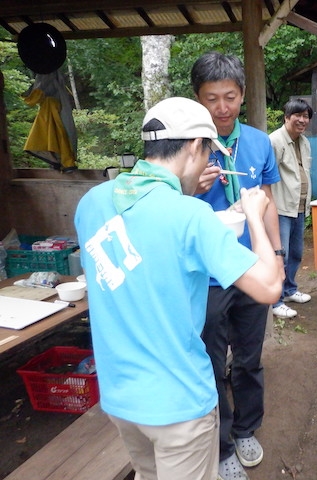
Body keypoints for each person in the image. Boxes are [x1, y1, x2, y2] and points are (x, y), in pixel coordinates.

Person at [74, 97, 282, 480]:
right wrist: (254, 216)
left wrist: (186, 198)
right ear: (193, 147)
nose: (206, 164)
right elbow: (269, 286)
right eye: (206, 154)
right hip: (178, 402)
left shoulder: (91, 203)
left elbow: (149, 244)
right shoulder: (191, 216)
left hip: (120, 398)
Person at [190, 52, 284, 480]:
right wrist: (190, 188)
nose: (222, 107)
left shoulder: (259, 142)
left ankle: (247, 427)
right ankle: (223, 444)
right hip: (205, 274)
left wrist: (277, 256)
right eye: (212, 98)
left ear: (242, 96)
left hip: (248, 266)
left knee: (248, 356)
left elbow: (266, 205)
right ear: (198, 99)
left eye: (230, 96)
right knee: (209, 360)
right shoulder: (187, 146)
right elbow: (165, 209)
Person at [269, 98, 314, 319]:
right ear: (287, 116)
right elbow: (266, 175)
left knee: (296, 253)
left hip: (299, 205)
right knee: (281, 256)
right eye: (298, 115)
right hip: (281, 207)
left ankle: (288, 290)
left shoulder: (304, 142)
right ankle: (275, 301)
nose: (302, 120)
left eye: (306, 116)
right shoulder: (275, 141)